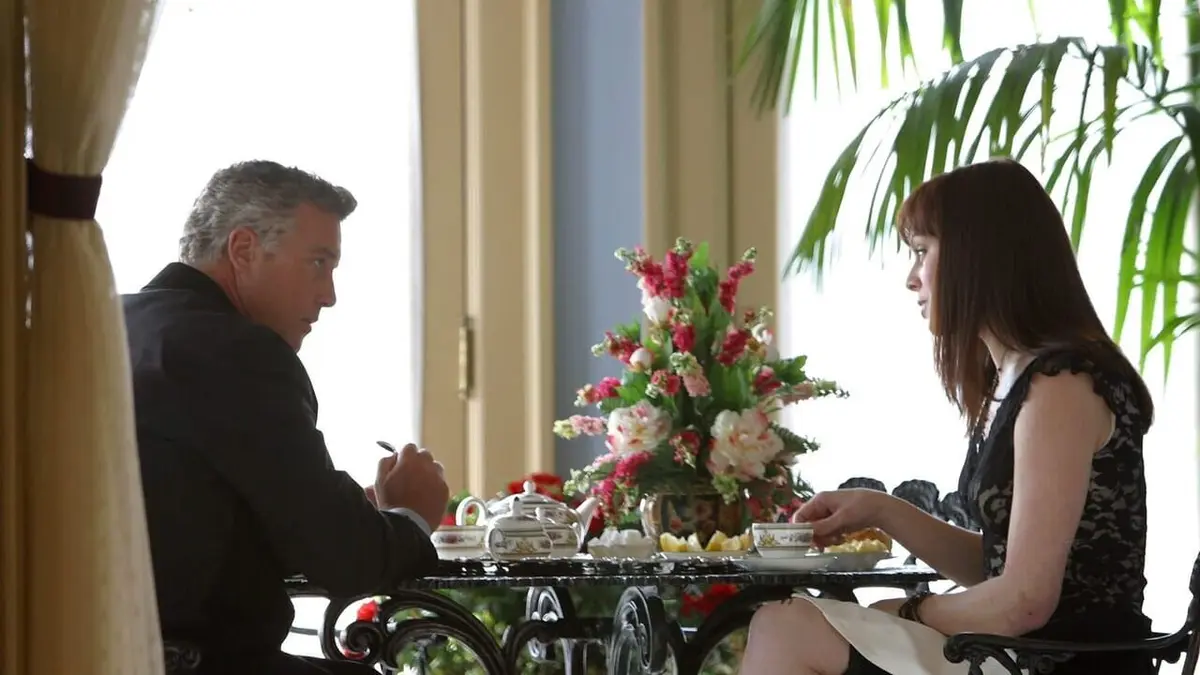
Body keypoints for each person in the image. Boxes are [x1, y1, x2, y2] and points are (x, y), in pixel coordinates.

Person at [739, 159, 1156, 675]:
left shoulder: (1062, 386)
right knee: (787, 623)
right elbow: (1000, 568)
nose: (911, 278)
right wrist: (883, 510)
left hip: (1059, 663)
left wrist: (910, 611)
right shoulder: (1021, 379)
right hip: (1015, 653)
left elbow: (1024, 601)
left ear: (976, 257)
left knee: (785, 628)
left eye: (921, 251)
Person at [123, 160, 451, 675]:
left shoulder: (112, 323)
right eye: (318, 263)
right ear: (243, 249)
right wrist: (411, 513)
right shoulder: (238, 352)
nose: (329, 295)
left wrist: (342, 510)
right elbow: (346, 559)